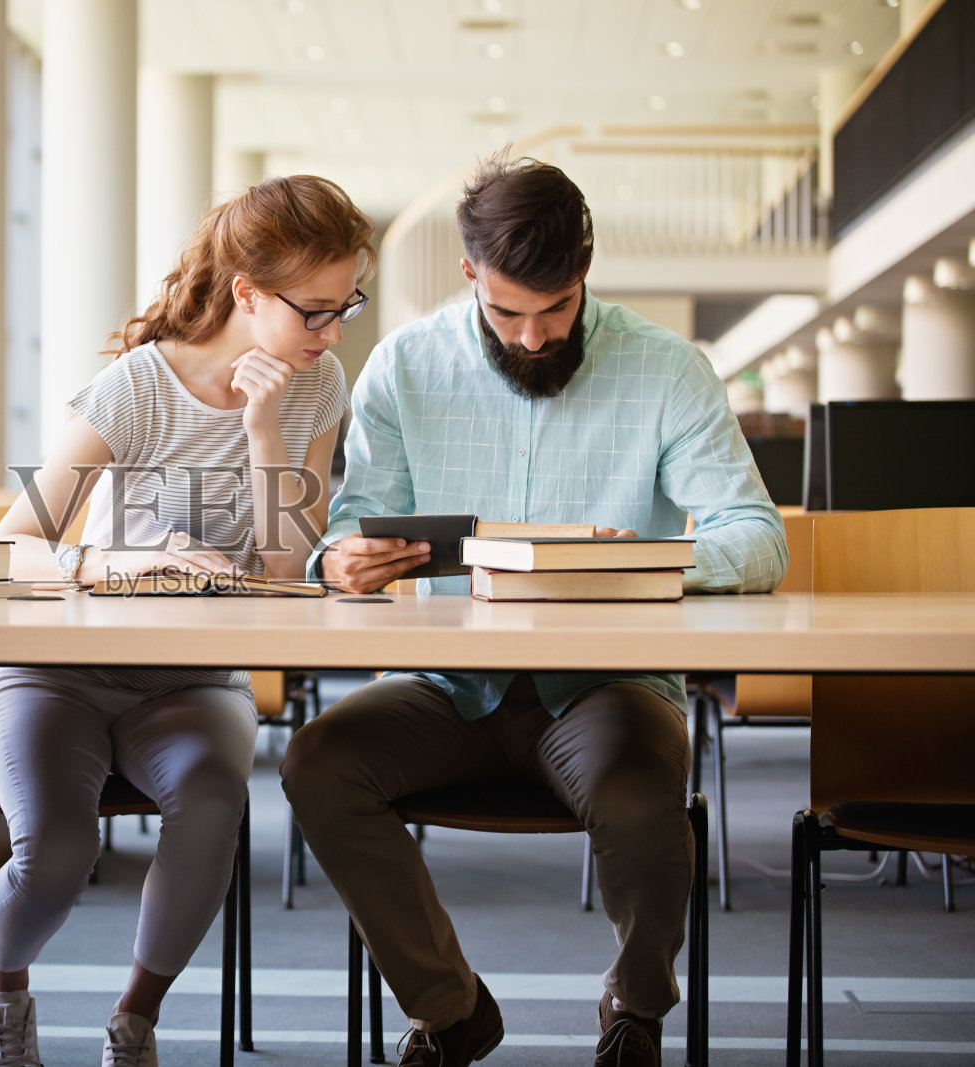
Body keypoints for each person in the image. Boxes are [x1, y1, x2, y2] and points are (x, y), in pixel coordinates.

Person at [281, 154, 787, 1067]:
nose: (533, 335)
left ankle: (634, 1006)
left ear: (586, 271)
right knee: (317, 760)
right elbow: (352, 522)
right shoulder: (403, 364)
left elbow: (756, 534)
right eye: (507, 310)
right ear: (468, 273)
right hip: (446, 685)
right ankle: (451, 1007)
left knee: (643, 799)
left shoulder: (667, 369)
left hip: (607, 684)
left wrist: (642, 563)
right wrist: (339, 557)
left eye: (556, 309)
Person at [0, 175, 375, 1067]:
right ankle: (3, 993)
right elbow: (8, 545)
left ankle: (134, 1020)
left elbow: (282, 570)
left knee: (210, 806)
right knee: (59, 849)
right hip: (62, 675)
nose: (332, 331)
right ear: (246, 293)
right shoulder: (137, 387)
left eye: (345, 305)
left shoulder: (317, 386)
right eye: (314, 310)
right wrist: (107, 561)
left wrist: (264, 430)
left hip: (195, 682)